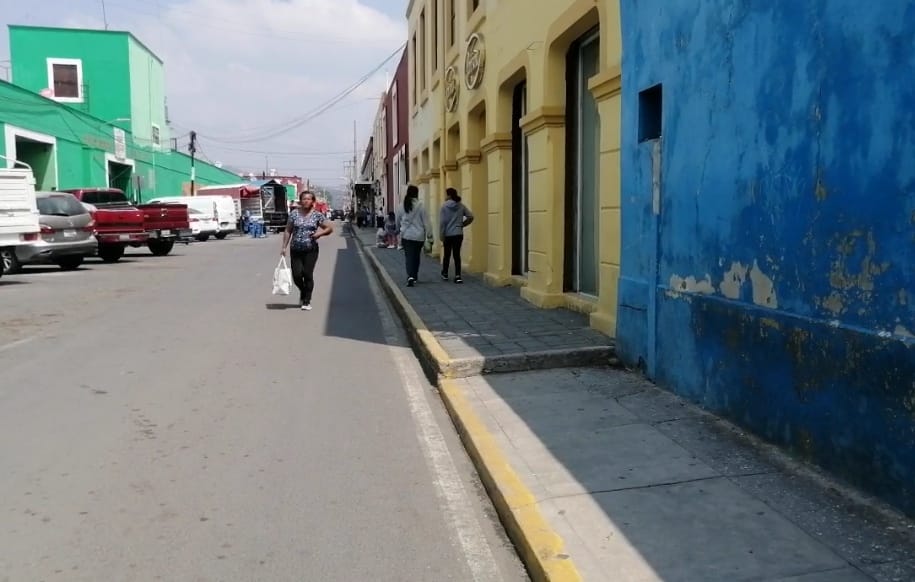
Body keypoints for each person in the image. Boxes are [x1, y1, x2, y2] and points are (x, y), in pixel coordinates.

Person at [280, 191, 333, 310]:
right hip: (296, 249)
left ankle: (307, 301)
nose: (306, 201)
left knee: (307, 274)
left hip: (311, 249)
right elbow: (288, 230)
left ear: (313, 201)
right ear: (300, 200)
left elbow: (329, 228)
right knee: (297, 275)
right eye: (304, 199)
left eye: (309, 199)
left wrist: (319, 234)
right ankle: (303, 291)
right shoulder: (294, 214)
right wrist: (284, 247)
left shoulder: (317, 215)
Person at [396, 184, 432, 287]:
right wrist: (429, 235)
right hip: (419, 236)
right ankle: (414, 275)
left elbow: (397, 221)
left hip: (406, 236)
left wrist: (399, 230)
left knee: (409, 256)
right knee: (416, 256)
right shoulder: (421, 206)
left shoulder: (401, 206)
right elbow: (427, 223)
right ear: (416, 194)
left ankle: (410, 276)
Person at [439, 187, 474, 284]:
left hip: (448, 234)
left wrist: (441, 235)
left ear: (449, 195)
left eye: (446, 194)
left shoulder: (444, 206)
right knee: (456, 255)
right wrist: (463, 224)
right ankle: (458, 276)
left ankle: (445, 273)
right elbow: (471, 216)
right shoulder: (461, 206)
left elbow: (442, 222)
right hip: (458, 233)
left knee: (447, 254)